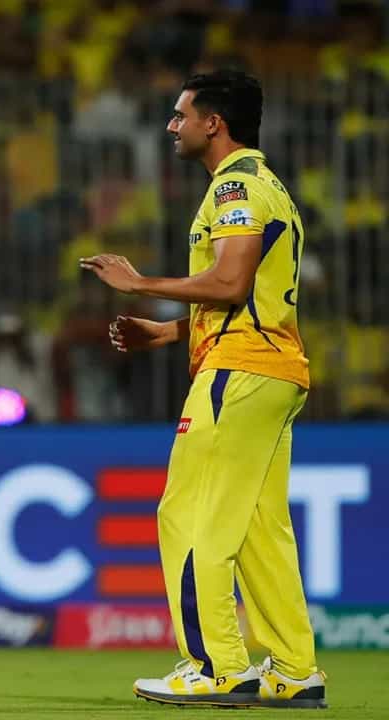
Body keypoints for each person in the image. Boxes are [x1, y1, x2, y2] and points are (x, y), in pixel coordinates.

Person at [80, 69, 326, 709]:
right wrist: (170, 333)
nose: (172, 126)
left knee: (188, 516)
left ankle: (216, 666)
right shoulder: (268, 185)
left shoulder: (235, 187)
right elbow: (250, 298)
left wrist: (138, 284)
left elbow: (230, 284)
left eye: (180, 115)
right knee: (259, 528)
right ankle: (294, 669)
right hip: (271, 369)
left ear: (213, 123)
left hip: (239, 373)